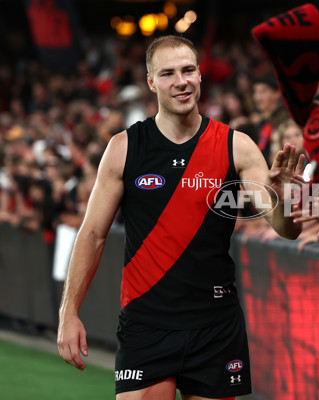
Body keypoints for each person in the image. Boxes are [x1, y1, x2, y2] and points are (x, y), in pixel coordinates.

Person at [57, 35, 304, 400]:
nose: (181, 81)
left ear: (201, 76)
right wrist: (69, 312)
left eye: (188, 70)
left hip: (215, 326)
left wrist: (285, 198)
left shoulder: (236, 146)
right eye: (168, 73)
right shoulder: (124, 148)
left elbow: (286, 229)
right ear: (151, 81)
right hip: (147, 323)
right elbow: (92, 234)